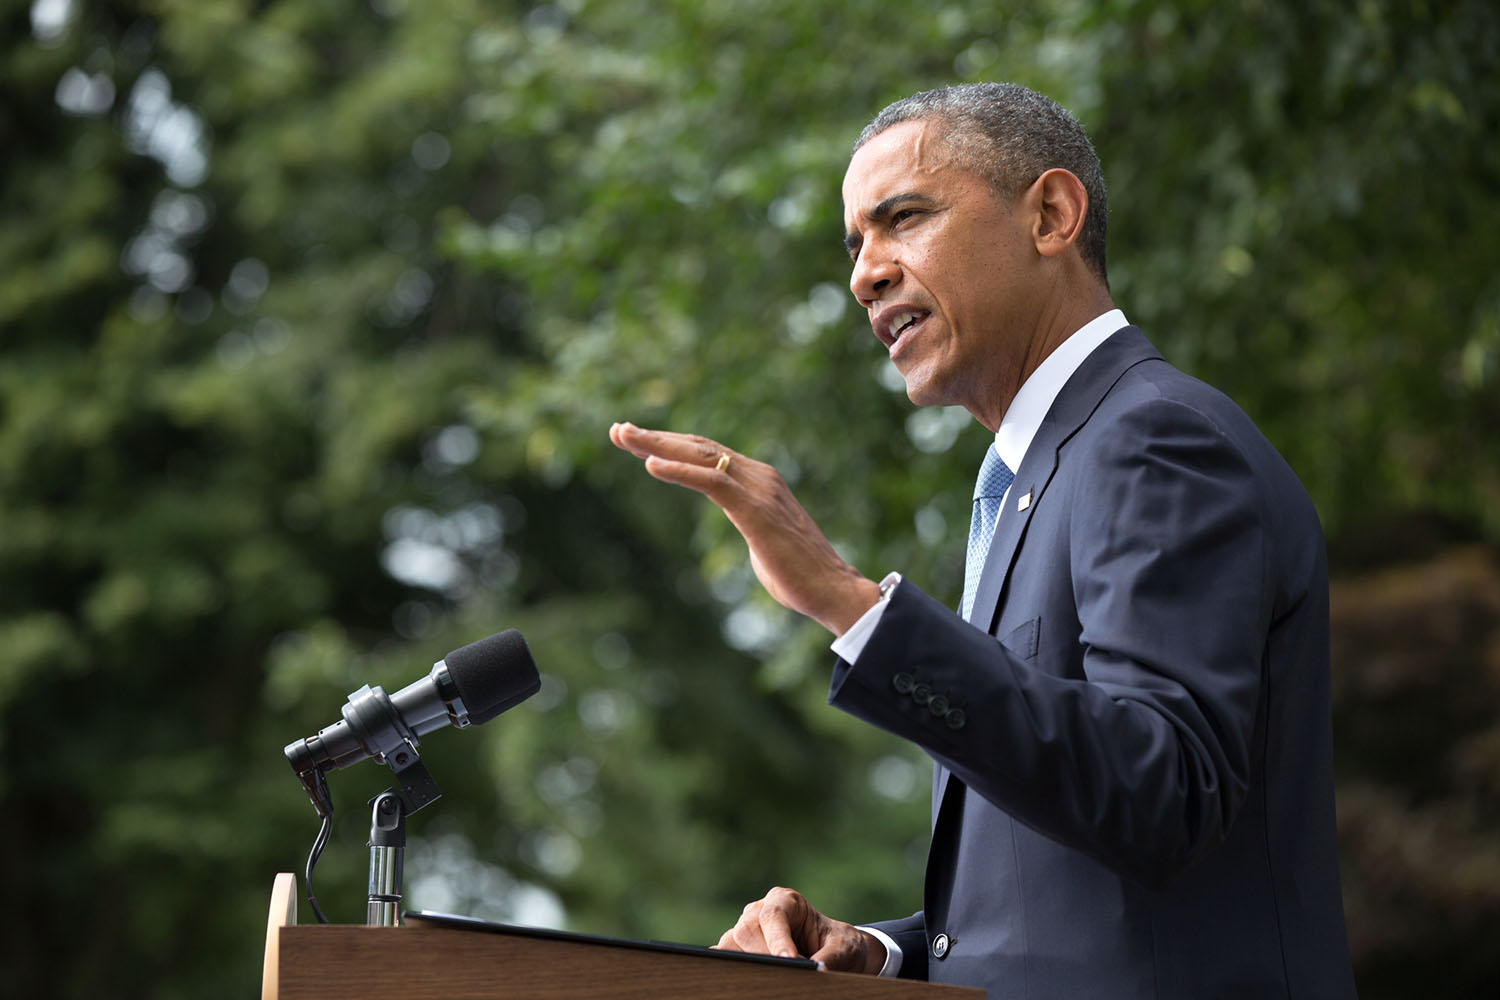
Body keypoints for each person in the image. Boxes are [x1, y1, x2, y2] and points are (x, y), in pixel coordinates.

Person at [609, 83, 1357, 998]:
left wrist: (846, 601)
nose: (864, 275)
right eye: (855, 245)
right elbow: (1074, 887)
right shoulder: (1030, 482)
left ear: (1051, 215)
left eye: (905, 219)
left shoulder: (1154, 439)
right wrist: (884, 954)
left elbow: (1164, 795)